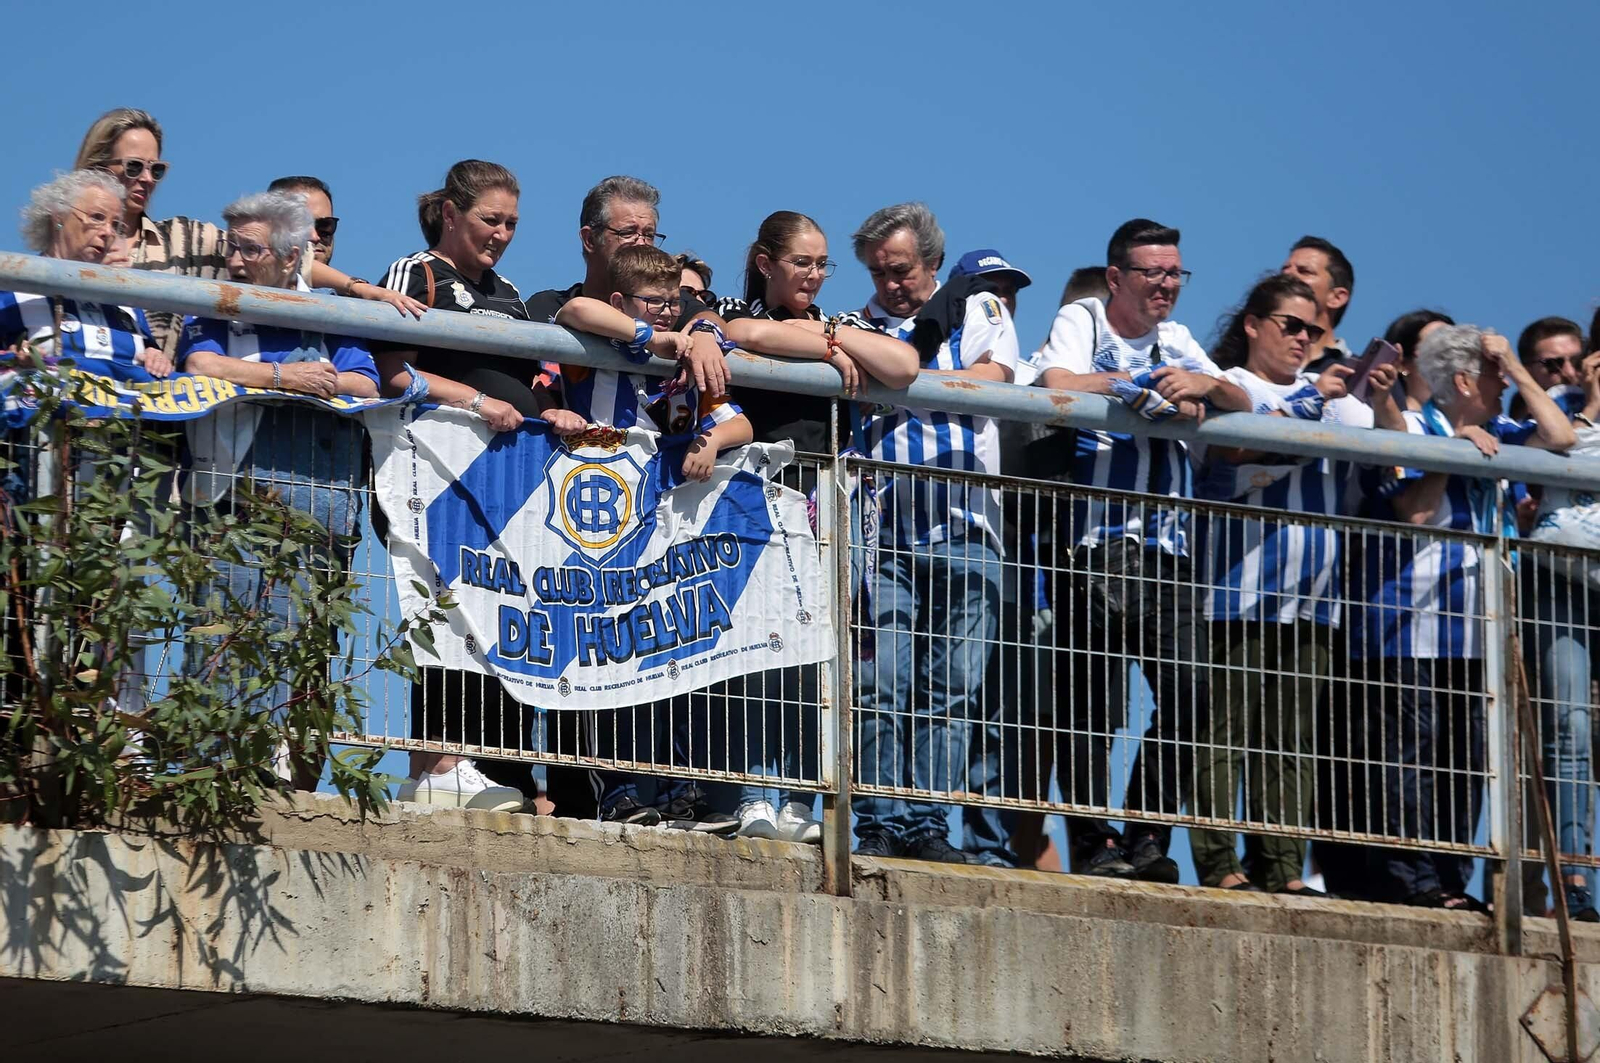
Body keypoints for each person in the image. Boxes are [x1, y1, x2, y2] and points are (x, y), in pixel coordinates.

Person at [1027, 218, 1253, 882]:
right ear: (1119, 277)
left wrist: (1201, 386)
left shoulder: (1179, 341)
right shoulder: (1084, 317)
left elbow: (1239, 395)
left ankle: (1147, 835)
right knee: (1093, 703)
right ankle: (1095, 843)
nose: (1167, 286)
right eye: (1153, 273)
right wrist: (1131, 388)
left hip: (1169, 550)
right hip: (1093, 543)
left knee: (1190, 691)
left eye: (1176, 273)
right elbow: (1053, 380)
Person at [523, 175, 737, 822]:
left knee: (658, 642)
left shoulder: (680, 314)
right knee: (584, 647)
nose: (644, 242)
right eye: (629, 232)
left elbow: (714, 326)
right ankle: (594, 791)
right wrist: (661, 339)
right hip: (575, 513)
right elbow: (574, 315)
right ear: (590, 240)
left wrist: (699, 329)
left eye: (651, 233)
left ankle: (668, 787)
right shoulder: (563, 303)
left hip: (653, 514)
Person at [1190, 274, 1401, 896]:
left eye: (1312, 330)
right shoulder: (1234, 386)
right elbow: (1231, 459)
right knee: (1224, 731)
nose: (1303, 339)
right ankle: (1216, 863)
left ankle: (1283, 868)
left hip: (1316, 600)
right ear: (1254, 324)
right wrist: (1313, 401)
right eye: (1290, 325)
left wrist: (1384, 400)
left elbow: (1399, 458)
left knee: (1293, 740)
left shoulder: (1339, 400)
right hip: (1235, 589)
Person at [711, 210, 918, 841]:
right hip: (757, 493)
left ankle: (802, 796)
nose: (816, 274)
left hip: (834, 502)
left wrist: (828, 334)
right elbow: (737, 331)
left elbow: (903, 365)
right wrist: (829, 349)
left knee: (816, 651)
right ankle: (754, 793)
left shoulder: (843, 320)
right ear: (767, 262)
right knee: (753, 648)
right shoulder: (735, 304)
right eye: (803, 262)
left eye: (824, 263)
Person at [1352, 324, 1575, 910]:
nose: (1504, 386)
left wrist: (1517, 366)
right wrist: (1454, 452)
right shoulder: (1412, 422)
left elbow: (1560, 435)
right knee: (1412, 753)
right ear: (1464, 380)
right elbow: (1417, 512)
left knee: (1467, 757)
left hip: (1481, 628)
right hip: (1408, 624)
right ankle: (1411, 880)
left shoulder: (1503, 428)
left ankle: (1450, 881)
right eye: (1496, 374)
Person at [174, 190, 380, 788]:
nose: (233, 262)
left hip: (317, 508)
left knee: (300, 641)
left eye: (248, 249)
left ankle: (277, 771)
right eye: (228, 247)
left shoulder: (329, 313)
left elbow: (365, 383)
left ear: (292, 257)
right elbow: (202, 367)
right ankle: (213, 767)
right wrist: (284, 378)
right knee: (225, 630)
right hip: (231, 497)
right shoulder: (214, 306)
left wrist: (323, 380)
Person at [850, 202, 1018, 864]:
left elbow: (992, 380)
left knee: (951, 687)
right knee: (882, 679)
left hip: (966, 526)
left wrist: (902, 377)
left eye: (899, 270)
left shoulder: (978, 308)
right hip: (885, 529)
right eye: (877, 272)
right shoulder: (860, 324)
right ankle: (880, 817)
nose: (889, 284)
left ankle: (927, 823)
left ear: (932, 262)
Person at [373, 160, 539, 813]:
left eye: (512, 224)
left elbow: (530, 381)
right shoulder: (416, 273)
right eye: (489, 220)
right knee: (439, 619)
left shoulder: (512, 292)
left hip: (501, 490)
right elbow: (387, 368)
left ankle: (464, 765)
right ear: (451, 213)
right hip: (424, 478)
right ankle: (437, 762)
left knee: (486, 622)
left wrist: (543, 407)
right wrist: (474, 401)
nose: (501, 234)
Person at [5, 169, 172, 383]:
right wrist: (11, 359)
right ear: (59, 216)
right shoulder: (12, 290)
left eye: (115, 225)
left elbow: (149, 353)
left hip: (119, 414)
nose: (108, 232)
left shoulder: (124, 300)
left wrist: (155, 357)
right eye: (97, 217)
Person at [266, 176, 428, 318]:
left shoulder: (351, 308)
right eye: (300, 224)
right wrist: (361, 288)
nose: (314, 236)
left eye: (325, 226)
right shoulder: (245, 281)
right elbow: (299, 266)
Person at [1282, 236, 1355, 374]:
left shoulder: (1358, 377)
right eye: (1284, 269)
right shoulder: (1252, 363)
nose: (1288, 275)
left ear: (1337, 298)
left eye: (1304, 271)